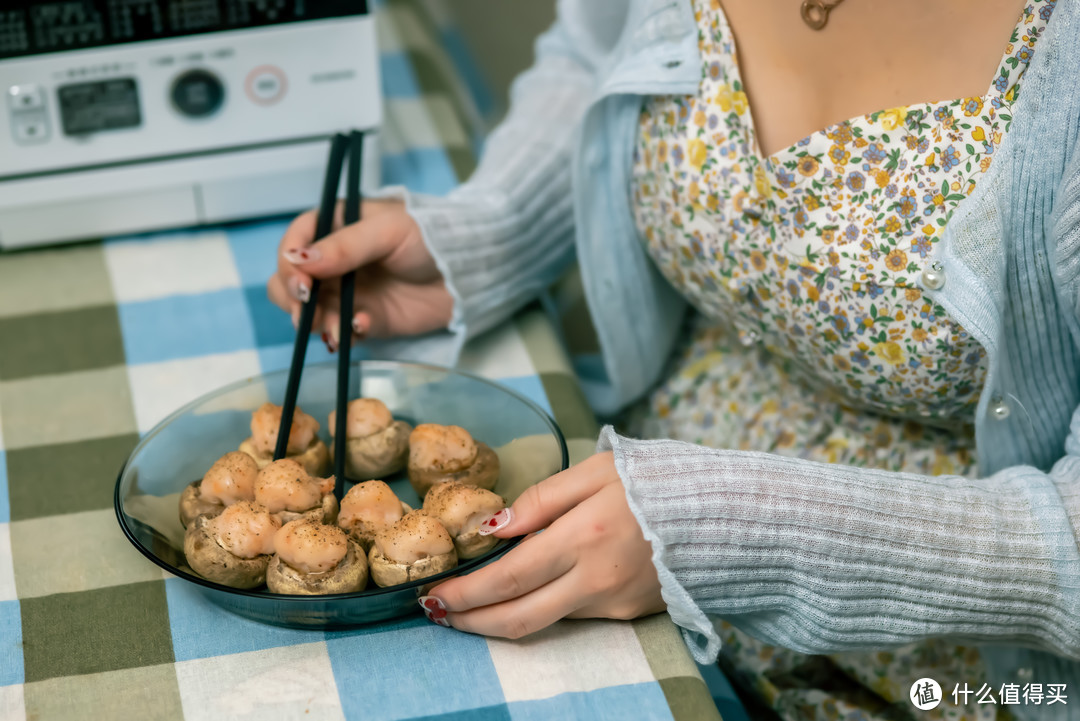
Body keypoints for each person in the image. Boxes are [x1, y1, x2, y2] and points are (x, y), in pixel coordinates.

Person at [269, 0, 1080, 718]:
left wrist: (744, 539)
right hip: (630, 523)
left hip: (962, 666)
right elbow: (599, 53)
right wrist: (493, 231)